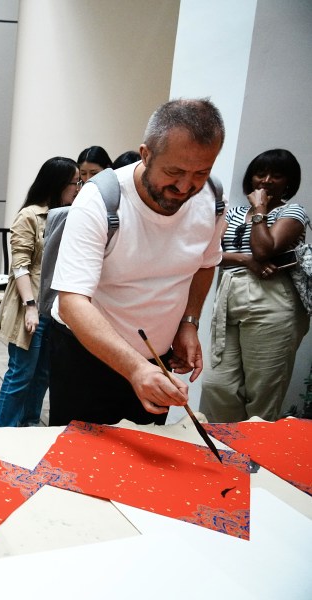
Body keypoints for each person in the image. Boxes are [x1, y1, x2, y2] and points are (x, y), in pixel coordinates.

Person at [49, 98, 227, 426]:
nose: (185, 186)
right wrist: (135, 368)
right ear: (146, 154)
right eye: (174, 172)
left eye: (201, 172)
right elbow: (73, 302)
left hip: (156, 360)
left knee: (146, 462)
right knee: (80, 463)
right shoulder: (101, 200)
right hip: (87, 357)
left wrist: (189, 322)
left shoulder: (212, 199)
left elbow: (205, 263)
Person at [200, 149, 309, 422]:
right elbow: (209, 254)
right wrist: (244, 260)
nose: (267, 180)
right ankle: (230, 446)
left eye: (277, 175)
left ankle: (252, 457)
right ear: (250, 177)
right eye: (261, 173)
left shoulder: (293, 212)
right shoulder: (234, 212)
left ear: (289, 182)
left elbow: (265, 249)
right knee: (217, 385)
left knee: (262, 394)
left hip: (273, 297)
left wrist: (260, 210)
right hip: (230, 291)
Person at [0, 157, 79, 427]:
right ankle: (4, 431)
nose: (78, 188)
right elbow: (19, 266)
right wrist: (30, 305)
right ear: (57, 184)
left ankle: (29, 425)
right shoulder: (30, 216)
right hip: (29, 307)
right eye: (75, 182)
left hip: (55, 310)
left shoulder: (68, 214)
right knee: (21, 373)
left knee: (42, 374)